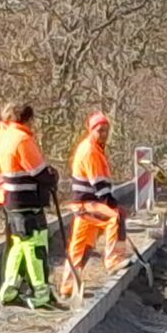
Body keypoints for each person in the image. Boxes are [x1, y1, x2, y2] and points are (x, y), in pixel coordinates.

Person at [0, 102, 58, 309]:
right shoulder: (22, 140)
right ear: (28, 119)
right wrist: (52, 177)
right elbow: (38, 171)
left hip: (10, 199)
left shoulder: (2, 138)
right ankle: (40, 292)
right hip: (27, 200)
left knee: (19, 245)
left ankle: (9, 290)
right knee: (34, 246)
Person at [58, 111, 121, 296]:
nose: (104, 134)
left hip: (87, 203)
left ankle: (68, 286)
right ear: (91, 130)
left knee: (81, 246)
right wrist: (108, 200)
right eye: (100, 130)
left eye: (106, 130)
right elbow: (97, 181)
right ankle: (113, 261)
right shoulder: (90, 150)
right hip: (87, 204)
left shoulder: (95, 148)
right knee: (115, 219)